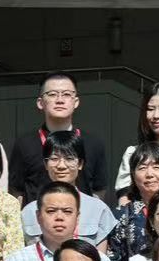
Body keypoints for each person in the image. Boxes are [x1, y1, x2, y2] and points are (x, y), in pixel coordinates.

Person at [12, 73, 103, 201]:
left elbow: (99, 189)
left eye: (66, 94)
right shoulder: (24, 144)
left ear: (76, 102)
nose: (60, 100)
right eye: (52, 94)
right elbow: (17, 190)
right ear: (40, 103)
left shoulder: (93, 143)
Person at [20, 131, 114, 250]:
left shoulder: (98, 209)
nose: (61, 166)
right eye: (54, 158)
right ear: (45, 164)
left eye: (69, 158)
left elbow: (100, 257)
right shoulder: (28, 212)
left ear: (80, 164)